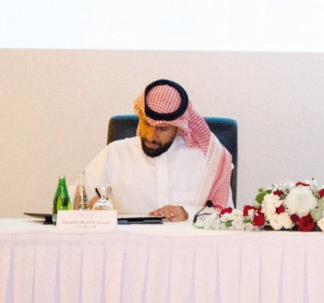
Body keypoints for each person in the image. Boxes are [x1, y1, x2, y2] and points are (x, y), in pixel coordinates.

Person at [83, 79, 233, 221]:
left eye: (162, 129)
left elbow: (227, 214)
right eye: (146, 124)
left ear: (178, 127)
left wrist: (188, 212)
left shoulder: (204, 159)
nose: (150, 136)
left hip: (186, 245)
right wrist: (91, 204)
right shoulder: (116, 154)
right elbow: (76, 193)